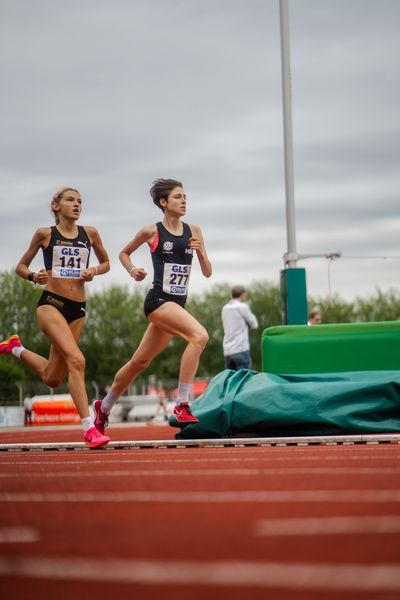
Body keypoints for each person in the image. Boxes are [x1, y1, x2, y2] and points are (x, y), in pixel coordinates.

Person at [93, 178, 212, 432]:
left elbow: (208, 272)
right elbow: (123, 253)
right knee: (199, 336)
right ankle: (182, 404)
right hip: (158, 301)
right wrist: (133, 270)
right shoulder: (152, 231)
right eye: (178, 197)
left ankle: (103, 408)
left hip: (177, 305)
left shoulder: (195, 231)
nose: (184, 201)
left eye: (185, 197)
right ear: (163, 202)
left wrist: (200, 252)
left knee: (139, 363)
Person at [0, 187, 111, 448]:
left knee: (52, 377)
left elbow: (106, 263)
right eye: (70, 200)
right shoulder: (45, 234)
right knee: (77, 360)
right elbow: (20, 266)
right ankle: (89, 429)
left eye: (80, 201)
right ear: (56, 206)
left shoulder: (90, 233)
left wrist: (93, 270)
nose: (76, 204)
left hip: (78, 309)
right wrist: (32, 276)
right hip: (51, 304)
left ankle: (16, 348)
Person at [221, 285, 258, 370]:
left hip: (227, 350)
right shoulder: (242, 307)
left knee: (230, 380)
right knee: (243, 379)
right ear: (242, 294)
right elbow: (254, 324)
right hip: (241, 349)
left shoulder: (225, 308)